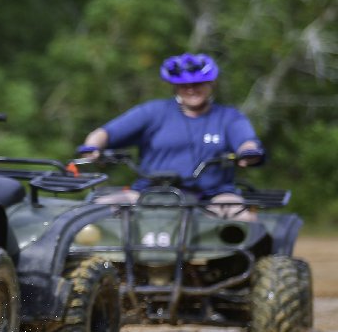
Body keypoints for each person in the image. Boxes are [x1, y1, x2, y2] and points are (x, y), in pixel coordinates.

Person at [76, 53, 264, 220]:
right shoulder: (153, 112)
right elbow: (103, 133)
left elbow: (246, 141)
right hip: (149, 193)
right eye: (184, 85)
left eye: (197, 84)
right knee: (90, 212)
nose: (191, 90)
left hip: (211, 197)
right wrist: (92, 148)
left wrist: (248, 152)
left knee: (243, 220)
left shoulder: (228, 117)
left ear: (210, 84)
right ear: (175, 87)